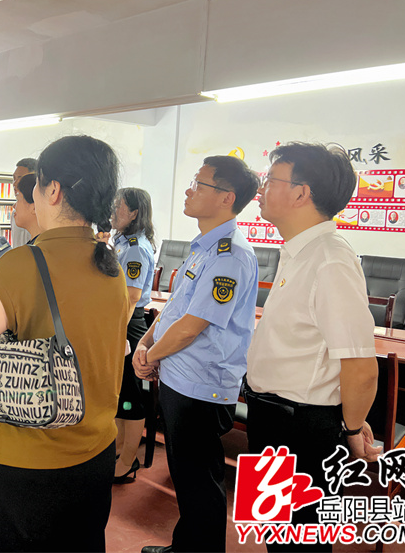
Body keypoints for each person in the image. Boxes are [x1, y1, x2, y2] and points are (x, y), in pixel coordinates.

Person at [0, 135, 130, 553]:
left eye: (36, 184)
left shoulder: (20, 264)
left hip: (26, 460)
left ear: (52, 191)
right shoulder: (109, 264)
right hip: (96, 452)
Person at [245, 142, 381, 552]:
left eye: (271, 180)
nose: (262, 189)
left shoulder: (330, 260)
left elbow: (361, 367)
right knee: (274, 534)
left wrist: (352, 428)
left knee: (299, 542)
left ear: (301, 193)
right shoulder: (299, 252)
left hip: (299, 428)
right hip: (272, 416)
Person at [135, 156, 260, 553]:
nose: (188, 191)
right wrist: (146, 343)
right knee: (186, 475)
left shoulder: (230, 256)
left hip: (202, 385)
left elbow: (194, 325)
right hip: (179, 376)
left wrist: (150, 355)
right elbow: (175, 309)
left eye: (198, 184)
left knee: (199, 480)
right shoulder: (203, 247)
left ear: (227, 197)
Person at [110, 187, 156, 484]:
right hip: (118, 321)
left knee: (131, 398)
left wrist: (115, 335)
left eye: (119, 206)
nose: (113, 211)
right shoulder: (121, 242)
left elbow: (131, 298)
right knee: (119, 397)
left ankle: (128, 460)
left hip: (128, 324)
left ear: (134, 213)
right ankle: (117, 452)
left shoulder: (136, 248)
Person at [10, 157, 37, 247]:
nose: (15, 183)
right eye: (14, 178)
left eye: (20, 178)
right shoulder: (15, 213)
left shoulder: (42, 214)